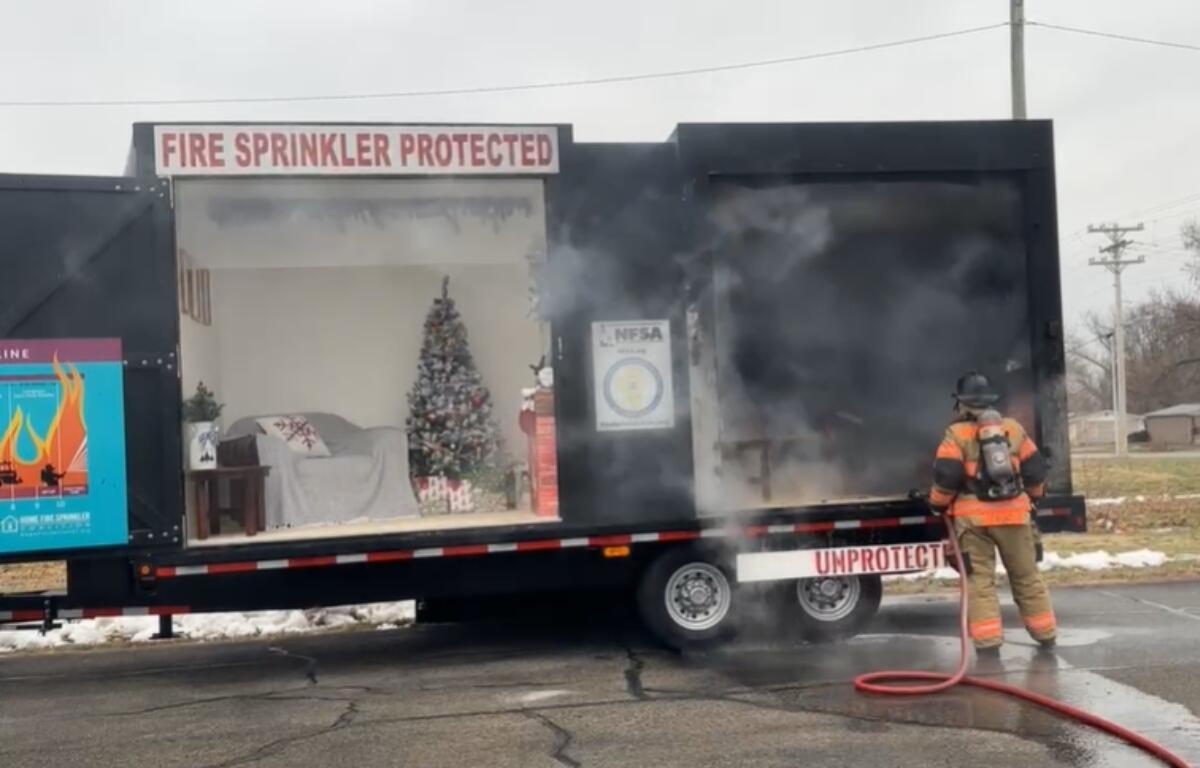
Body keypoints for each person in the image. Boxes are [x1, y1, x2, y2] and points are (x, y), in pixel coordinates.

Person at [928, 371, 1056, 656]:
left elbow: (946, 476)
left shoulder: (956, 434)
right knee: (1027, 577)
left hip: (974, 523)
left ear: (961, 403)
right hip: (1014, 517)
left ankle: (988, 645)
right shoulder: (1014, 429)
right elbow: (1035, 471)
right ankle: (1045, 634)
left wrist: (937, 504)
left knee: (980, 583)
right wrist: (1033, 499)